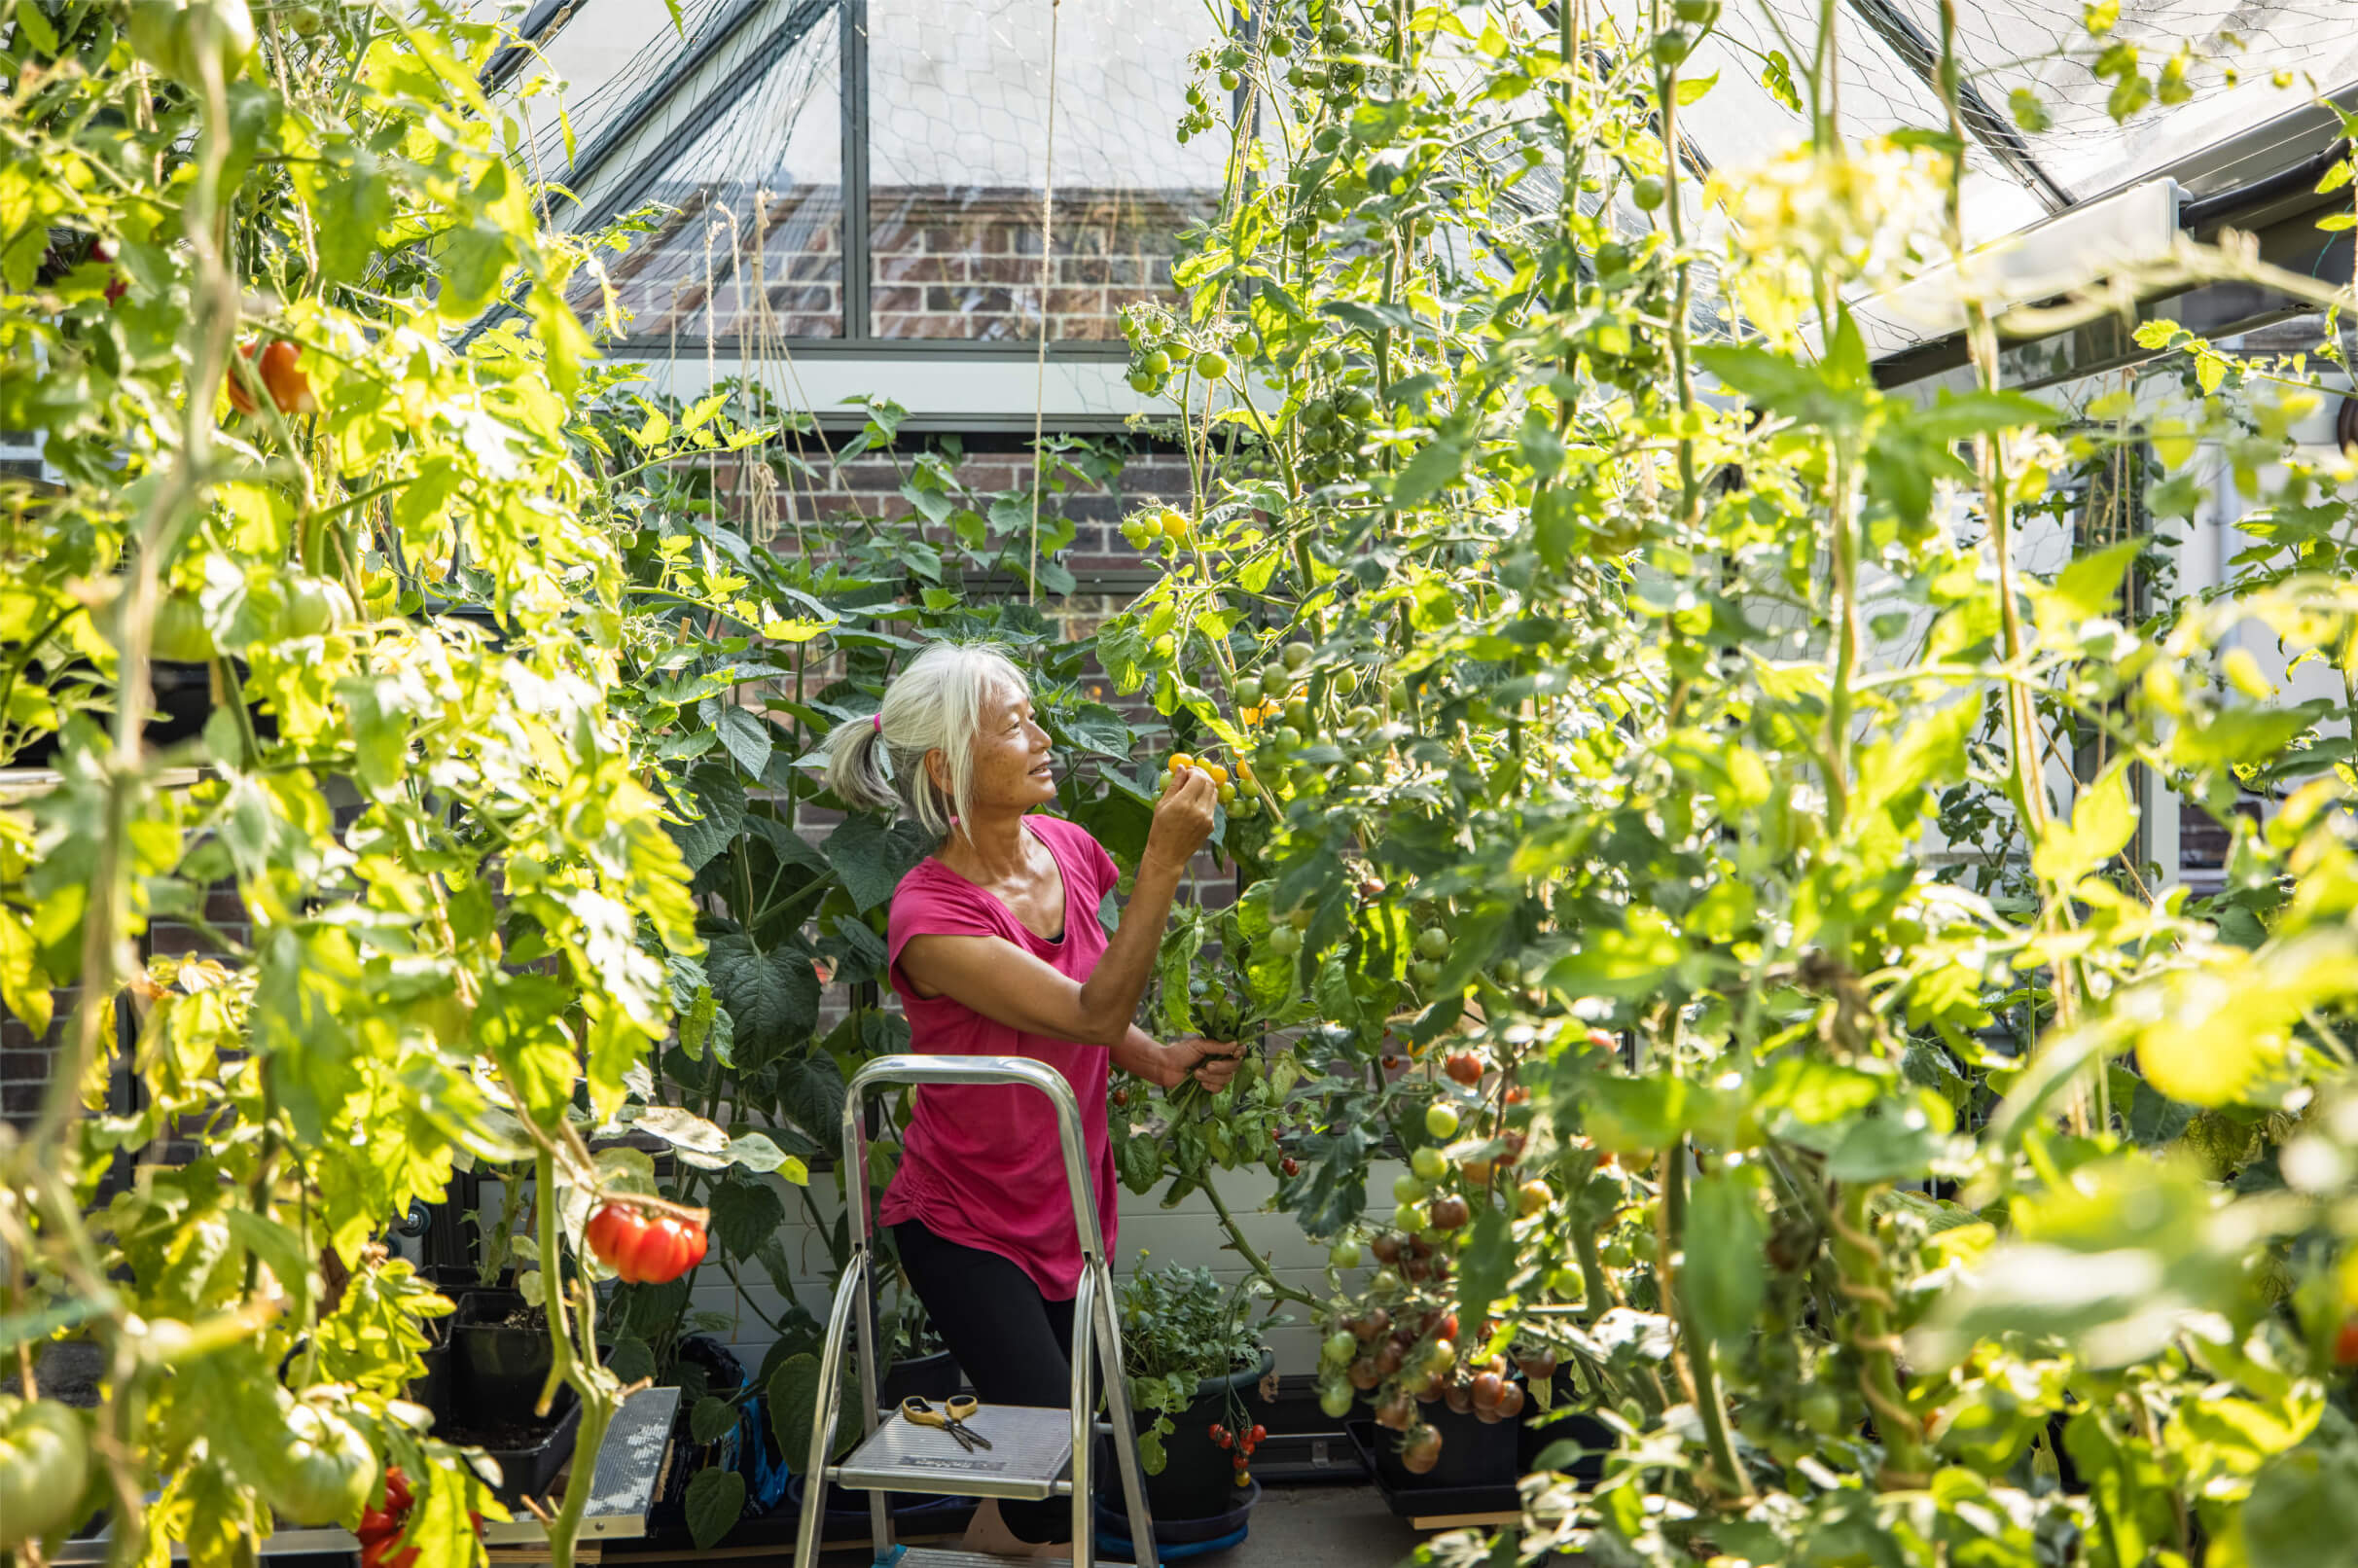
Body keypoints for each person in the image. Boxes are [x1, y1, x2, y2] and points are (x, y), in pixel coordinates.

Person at [825, 641, 1239, 1557]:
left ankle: (990, 1535)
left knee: (1055, 1459)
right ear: (949, 767)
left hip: (1069, 1210)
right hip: (964, 1220)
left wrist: (1157, 1061)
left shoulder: (1069, 851)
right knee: (1057, 1458)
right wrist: (1166, 863)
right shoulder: (930, 917)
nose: (1043, 737)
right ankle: (1017, 1535)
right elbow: (1092, 1011)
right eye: (1016, 725)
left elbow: (1079, 1006)